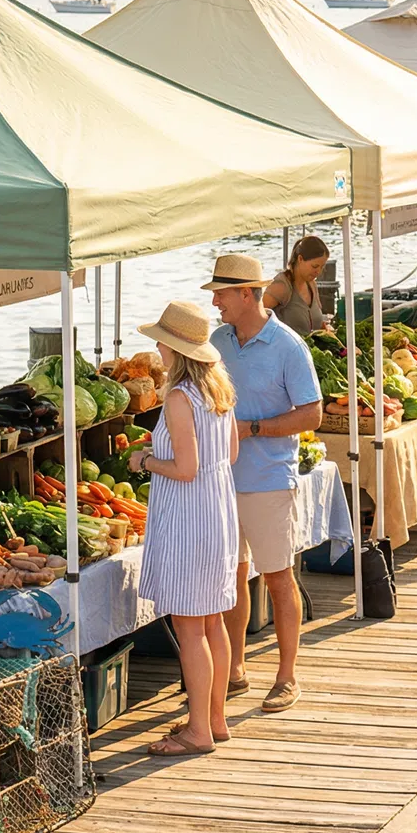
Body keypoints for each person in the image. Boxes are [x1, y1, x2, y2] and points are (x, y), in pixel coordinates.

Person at [207, 254, 325, 715]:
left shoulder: (289, 346)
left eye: (220, 294)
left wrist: (252, 429)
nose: (215, 302)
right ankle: (234, 670)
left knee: (277, 576)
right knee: (231, 576)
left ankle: (287, 677)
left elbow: (312, 414)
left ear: (245, 294)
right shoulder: (217, 342)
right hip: (220, 480)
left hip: (269, 480)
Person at [132, 300, 242, 757]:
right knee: (212, 620)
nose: (158, 349)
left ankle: (198, 731)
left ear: (177, 350)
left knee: (190, 626)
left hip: (187, 518)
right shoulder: (218, 391)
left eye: (162, 342)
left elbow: (185, 468)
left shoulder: (179, 398)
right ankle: (214, 719)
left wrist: (145, 461)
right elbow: (230, 454)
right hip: (218, 511)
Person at [263, 235, 330, 336]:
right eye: (315, 266)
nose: (318, 272)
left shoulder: (312, 285)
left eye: (322, 267)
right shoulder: (282, 285)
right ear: (300, 259)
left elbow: (319, 324)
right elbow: (257, 317)